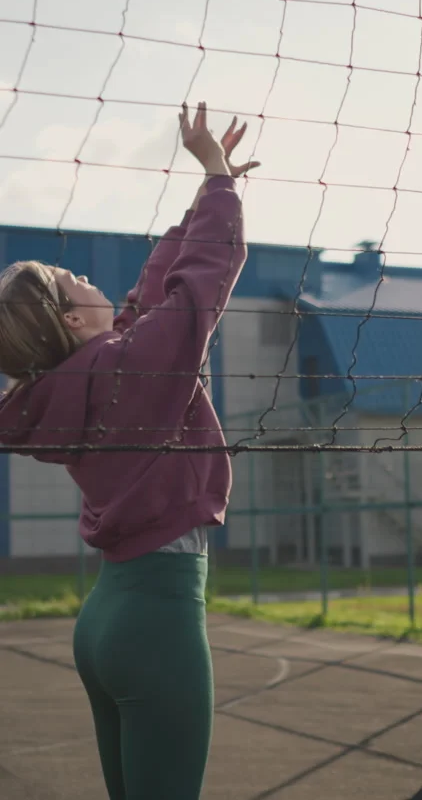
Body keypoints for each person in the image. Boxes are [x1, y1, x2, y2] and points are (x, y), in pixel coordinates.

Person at [0, 102, 259, 800]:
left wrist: (214, 188)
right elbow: (201, 282)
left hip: (107, 617)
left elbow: (153, 292)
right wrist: (217, 182)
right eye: (66, 276)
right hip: (158, 620)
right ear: (69, 316)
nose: (80, 274)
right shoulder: (137, 368)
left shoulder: (78, 382)